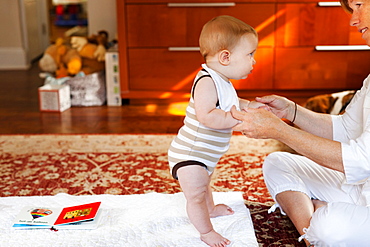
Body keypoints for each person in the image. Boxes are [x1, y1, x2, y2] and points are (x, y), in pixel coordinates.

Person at [230, 0, 370, 246]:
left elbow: (359, 160)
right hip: (363, 187)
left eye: (359, 5)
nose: (353, 20)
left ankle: (319, 225)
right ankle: (313, 228)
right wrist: (291, 112)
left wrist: (279, 131)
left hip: (362, 176)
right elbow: (345, 129)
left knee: (331, 228)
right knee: (278, 162)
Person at [168, 15, 265, 247]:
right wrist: (236, 118)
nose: (254, 61)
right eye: (250, 54)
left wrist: (250, 105)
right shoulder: (206, 81)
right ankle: (206, 232)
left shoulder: (223, 81)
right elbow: (207, 115)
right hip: (189, 155)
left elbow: (232, 101)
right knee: (196, 194)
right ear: (225, 57)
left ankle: (210, 209)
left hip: (205, 155)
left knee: (205, 185)